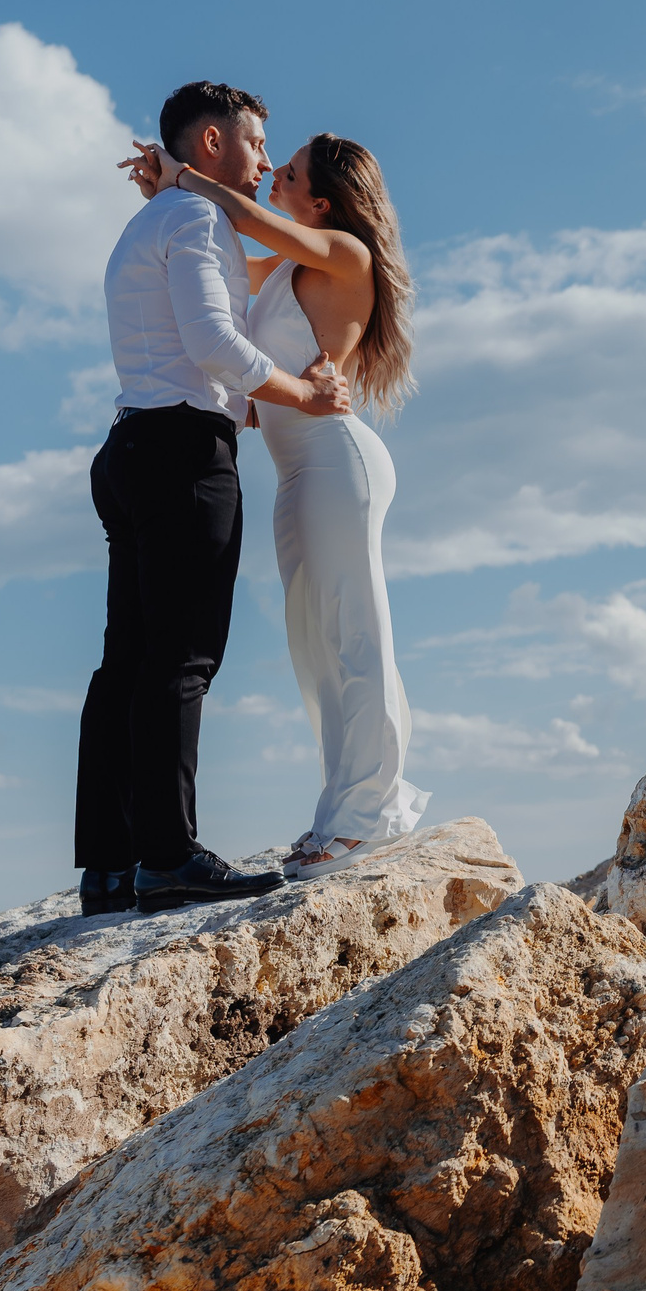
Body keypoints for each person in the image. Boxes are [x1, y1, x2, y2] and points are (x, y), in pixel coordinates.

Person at [77, 82, 351, 916]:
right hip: (182, 450)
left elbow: (244, 282)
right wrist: (306, 397)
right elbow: (212, 341)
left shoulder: (149, 222)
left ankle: (110, 866)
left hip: (128, 448)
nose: (266, 159)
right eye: (257, 142)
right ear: (211, 145)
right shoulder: (194, 221)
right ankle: (168, 857)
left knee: (126, 657)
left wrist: (172, 183)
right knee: (181, 661)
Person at [125, 128, 428, 879]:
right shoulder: (289, 268)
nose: (273, 176)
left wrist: (183, 173)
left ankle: (370, 812)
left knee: (357, 633)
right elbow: (233, 255)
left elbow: (246, 221)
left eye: (287, 172)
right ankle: (340, 808)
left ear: (319, 201)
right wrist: (168, 195)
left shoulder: (345, 255)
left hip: (337, 463)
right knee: (316, 645)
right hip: (296, 473)